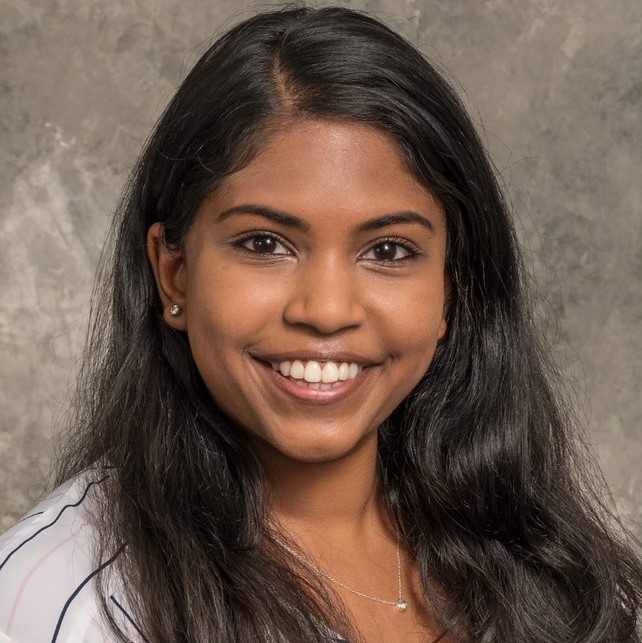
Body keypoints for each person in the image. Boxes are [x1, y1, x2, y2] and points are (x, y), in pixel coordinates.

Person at [0, 5, 640, 642]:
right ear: (175, 274)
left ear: (451, 289)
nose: (328, 310)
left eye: (388, 250)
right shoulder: (73, 601)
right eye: (264, 244)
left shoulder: (555, 572)